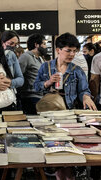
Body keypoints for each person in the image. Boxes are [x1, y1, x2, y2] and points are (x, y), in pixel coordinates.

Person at [34, 32, 97, 180]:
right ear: (58, 50)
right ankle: (54, 172)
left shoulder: (76, 70)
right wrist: (48, 82)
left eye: (74, 51)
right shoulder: (45, 67)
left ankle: (66, 174)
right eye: (68, 50)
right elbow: (36, 87)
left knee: (67, 150)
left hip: (67, 115)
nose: (72, 54)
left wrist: (86, 97)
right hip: (48, 114)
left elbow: (83, 90)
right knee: (50, 148)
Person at [19, 33, 47, 114]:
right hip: (30, 98)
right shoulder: (25, 57)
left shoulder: (40, 59)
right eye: (44, 44)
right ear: (36, 45)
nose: (46, 47)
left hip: (40, 96)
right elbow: (19, 75)